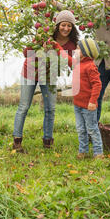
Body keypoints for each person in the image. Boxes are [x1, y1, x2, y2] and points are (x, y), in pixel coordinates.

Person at [12, 10, 79, 153]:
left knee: (50, 108)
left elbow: (72, 64)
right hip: (31, 70)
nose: (65, 28)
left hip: (49, 75)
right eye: (63, 25)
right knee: (24, 106)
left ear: (72, 27)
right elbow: (26, 53)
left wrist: (57, 48)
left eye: (69, 26)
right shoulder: (45, 35)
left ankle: (48, 141)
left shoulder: (71, 45)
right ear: (57, 25)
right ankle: (17, 141)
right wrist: (37, 40)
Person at [54, 38, 104, 159]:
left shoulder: (90, 66)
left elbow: (97, 84)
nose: (75, 50)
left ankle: (98, 153)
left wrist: (92, 101)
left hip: (88, 106)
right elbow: (66, 58)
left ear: (85, 52)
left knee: (92, 129)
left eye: (78, 48)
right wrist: (56, 46)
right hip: (77, 104)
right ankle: (83, 151)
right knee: (81, 129)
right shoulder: (77, 63)